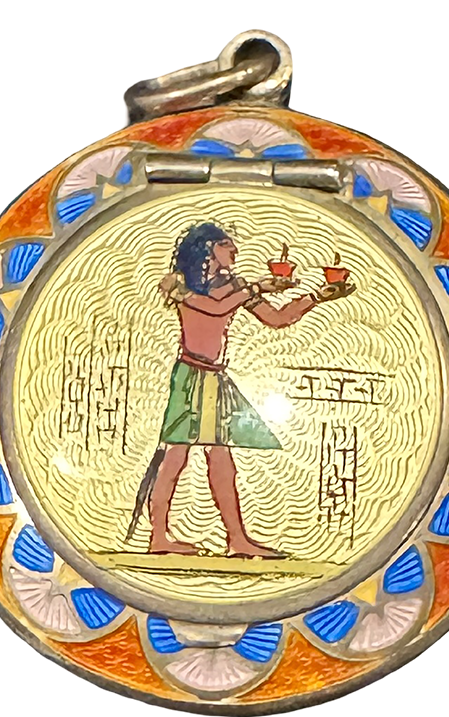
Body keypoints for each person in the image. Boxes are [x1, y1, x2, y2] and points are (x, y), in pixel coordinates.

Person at [126, 222, 355, 557]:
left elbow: (276, 319)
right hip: (191, 377)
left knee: (221, 461)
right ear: (207, 249)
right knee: (175, 457)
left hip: (215, 380)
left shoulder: (234, 285)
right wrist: (256, 287)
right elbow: (212, 308)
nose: (234, 251)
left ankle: (236, 539)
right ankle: (159, 536)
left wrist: (316, 297)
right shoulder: (178, 282)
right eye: (226, 244)